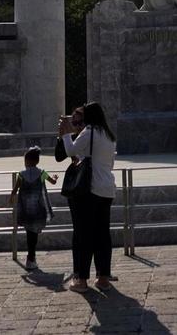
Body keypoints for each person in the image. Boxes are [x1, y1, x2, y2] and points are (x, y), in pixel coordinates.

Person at [59, 100, 117, 292]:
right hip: (107, 188)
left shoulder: (89, 132)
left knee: (83, 235)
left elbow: (70, 150)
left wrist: (66, 132)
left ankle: (81, 279)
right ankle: (103, 278)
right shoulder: (109, 135)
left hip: (88, 190)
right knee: (102, 234)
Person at [11, 146, 57, 269]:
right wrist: (55, 178)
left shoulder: (21, 174)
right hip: (38, 209)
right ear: (37, 161)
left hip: (26, 210)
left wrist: (11, 199)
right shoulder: (42, 173)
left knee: (28, 233)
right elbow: (53, 182)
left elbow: (15, 190)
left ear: (27, 161)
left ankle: (31, 258)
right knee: (34, 233)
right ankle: (31, 258)